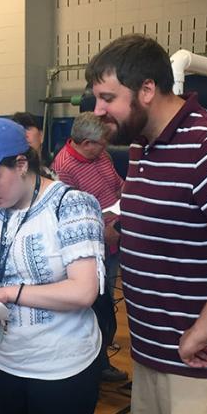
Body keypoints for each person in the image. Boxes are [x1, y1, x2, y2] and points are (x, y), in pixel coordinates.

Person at [86, 34, 207, 414]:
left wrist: (202, 332)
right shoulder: (143, 146)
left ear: (147, 90)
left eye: (107, 98)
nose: (97, 110)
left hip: (203, 366)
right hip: (154, 357)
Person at [0, 117, 104, 414]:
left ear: (21, 164)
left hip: (61, 369)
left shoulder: (71, 205)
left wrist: (9, 293)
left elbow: (84, 292)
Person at [51, 112, 128, 382]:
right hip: (94, 245)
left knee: (107, 301)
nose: (105, 149)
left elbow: (117, 185)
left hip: (116, 235)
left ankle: (101, 359)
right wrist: (103, 231)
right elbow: (68, 215)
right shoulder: (64, 168)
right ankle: (95, 366)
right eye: (99, 144)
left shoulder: (102, 156)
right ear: (84, 143)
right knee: (96, 305)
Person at [11, 112, 56, 179]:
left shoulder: (52, 171)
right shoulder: (11, 175)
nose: (23, 134)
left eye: (27, 128)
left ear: (41, 136)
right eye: (18, 130)